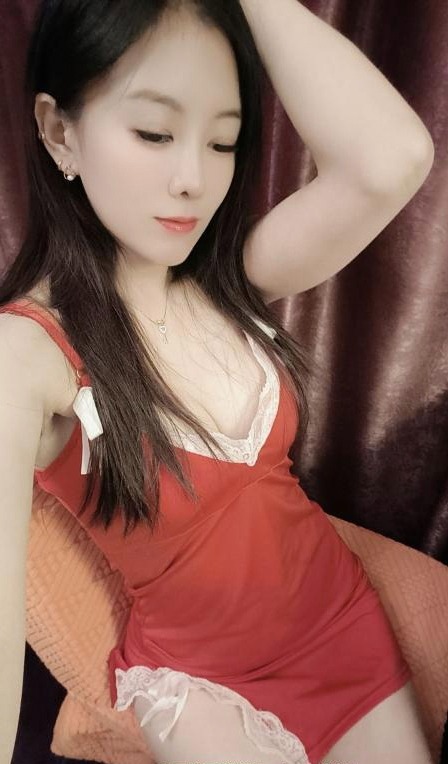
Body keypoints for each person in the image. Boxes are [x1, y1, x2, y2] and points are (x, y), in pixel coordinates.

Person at [0, 1, 436, 763]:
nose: (194, 181)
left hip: (339, 626)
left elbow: (391, 159)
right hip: (201, 683)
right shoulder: (26, 353)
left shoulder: (229, 278)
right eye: (154, 133)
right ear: (60, 132)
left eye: (224, 141)